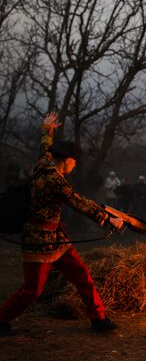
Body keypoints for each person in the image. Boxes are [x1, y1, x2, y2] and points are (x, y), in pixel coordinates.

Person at [0, 112, 123, 336]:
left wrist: (47, 129)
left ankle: (98, 318)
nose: (75, 166)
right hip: (38, 240)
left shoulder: (44, 163)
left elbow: (44, 147)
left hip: (57, 238)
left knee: (81, 275)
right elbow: (78, 202)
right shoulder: (54, 180)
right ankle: (1, 320)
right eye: (74, 161)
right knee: (33, 289)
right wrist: (108, 218)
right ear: (66, 160)